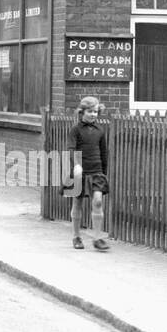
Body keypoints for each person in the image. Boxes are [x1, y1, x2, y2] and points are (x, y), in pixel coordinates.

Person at [68, 96, 110, 251]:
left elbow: (103, 152)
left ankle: (97, 238)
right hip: (80, 171)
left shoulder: (100, 130)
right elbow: (71, 149)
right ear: (82, 112)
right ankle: (76, 236)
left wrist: (104, 173)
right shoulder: (75, 129)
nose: (93, 114)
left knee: (98, 201)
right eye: (90, 111)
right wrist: (76, 165)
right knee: (77, 202)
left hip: (97, 170)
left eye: (96, 112)